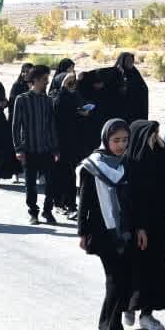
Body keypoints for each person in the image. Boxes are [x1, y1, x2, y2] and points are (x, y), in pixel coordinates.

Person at [77, 119, 136, 330]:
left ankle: (106, 320)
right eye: (116, 140)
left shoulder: (127, 165)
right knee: (115, 280)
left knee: (125, 278)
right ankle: (114, 327)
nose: (121, 145)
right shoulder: (93, 167)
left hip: (126, 230)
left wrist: (139, 228)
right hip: (102, 231)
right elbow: (85, 202)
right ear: (105, 140)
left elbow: (133, 201)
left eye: (124, 140)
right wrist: (82, 232)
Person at [123, 120, 165, 330]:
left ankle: (147, 313)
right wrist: (139, 227)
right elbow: (133, 199)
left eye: (157, 133)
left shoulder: (163, 156)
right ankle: (129, 305)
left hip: (159, 222)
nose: (156, 138)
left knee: (156, 269)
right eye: (151, 134)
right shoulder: (133, 162)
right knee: (136, 268)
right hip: (139, 224)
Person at [11, 65, 59, 224]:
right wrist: (18, 149)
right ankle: (33, 212)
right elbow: (16, 126)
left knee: (52, 182)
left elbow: (52, 126)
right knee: (30, 184)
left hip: (46, 149)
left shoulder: (48, 101)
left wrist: (55, 148)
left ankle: (48, 211)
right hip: (29, 148)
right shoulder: (22, 99)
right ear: (36, 80)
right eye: (45, 79)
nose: (47, 82)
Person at [51, 71, 89, 219]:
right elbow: (56, 108)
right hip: (59, 141)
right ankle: (59, 203)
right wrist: (62, 87)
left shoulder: (76, 95)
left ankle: (71, 204)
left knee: (71, 173)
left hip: (74, 141)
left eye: (73, 82)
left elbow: (80, 109)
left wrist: (84, 112)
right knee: (60, 173)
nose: (72, 85)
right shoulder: (55, 95)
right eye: (69, 82)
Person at [115, 52, 149, 124]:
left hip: (135, 108)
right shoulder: (116, 72)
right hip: (121, 109)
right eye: (128, 61)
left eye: (131, 61)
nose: (130, 63)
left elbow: (144, 88)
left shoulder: (134, 72)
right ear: (122, 61)